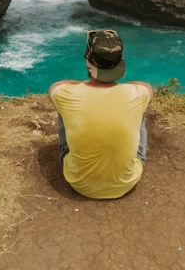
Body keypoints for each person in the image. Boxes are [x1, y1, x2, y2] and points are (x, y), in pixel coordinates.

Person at [49, 30, 154, 200]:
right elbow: (148, 87)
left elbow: (55, 86)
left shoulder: (65, 94)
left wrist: (83, 84)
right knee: (139, 110)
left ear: (88, 62)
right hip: (126, 182)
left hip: (79, 183)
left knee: (63, 109)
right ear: (120, 62)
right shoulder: (137, 93)